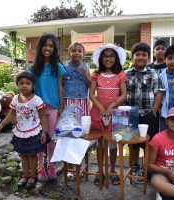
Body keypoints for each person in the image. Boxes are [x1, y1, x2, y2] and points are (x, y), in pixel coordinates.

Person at [0, 71, 48, 189]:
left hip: (33, 131)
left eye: (27, 83)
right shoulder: (15, 99)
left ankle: (33, 176)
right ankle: (25, 175)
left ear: (33, 85)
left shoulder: (36, 100)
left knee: (32, 155)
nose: (24, 85)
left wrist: (43, 131)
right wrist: (1, 124)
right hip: (20, 132)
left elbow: (43, 116)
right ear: (17, 85)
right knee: (23, 155)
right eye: (21, 83)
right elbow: (11, 115)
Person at [28, 33, 66, 182]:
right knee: (39, 138)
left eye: (51, 46)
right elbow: (29, 89)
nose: (47, 48)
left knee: (50, 138)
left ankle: (50, 165)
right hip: (37, 110)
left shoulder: (58, 68)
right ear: (40, 47)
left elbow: (60, 88)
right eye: (45, 45)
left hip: (52, 109)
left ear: (54, 49)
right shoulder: (33, 68)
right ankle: (40, 167)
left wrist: (61, 106)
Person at [90, 44, 127, 186]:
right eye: (105, 55)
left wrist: (111, 106)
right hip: (98, 114)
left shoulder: (121, 75)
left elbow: (124, 94)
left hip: (116, 113)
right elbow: (92, 94)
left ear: (116, 58)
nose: (108, 58)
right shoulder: (96, 74)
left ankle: (112, 170)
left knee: (113, 142)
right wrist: (101, 108)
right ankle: (100, 171)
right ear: (101, 58)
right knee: (100, 143)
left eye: (111, 55)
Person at [125, 42, 163, 184]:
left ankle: (148, 168)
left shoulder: (153, 73)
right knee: (133, 143)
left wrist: (154, 111)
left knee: (149, 142)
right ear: (133, 57)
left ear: (148, 57)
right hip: (131, 114)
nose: (140, 57)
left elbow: (159, 93)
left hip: (149, 114)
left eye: (144, 55)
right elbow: (123, 93)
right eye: (137, 54)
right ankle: (135, 166)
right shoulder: (126, 74)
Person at [63, 42, 91, 180]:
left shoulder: (85, 67)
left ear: (83, 54)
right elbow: (61, 86)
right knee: (69, 135)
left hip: (83, 103)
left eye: (79, 51)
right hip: (68, 102)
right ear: (69, 53)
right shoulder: (64, 68)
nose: (76, 53)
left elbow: (91, 86)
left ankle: (79, 164)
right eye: (73, 51)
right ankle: (70, 168)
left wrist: (85, 75)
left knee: (81, 135)